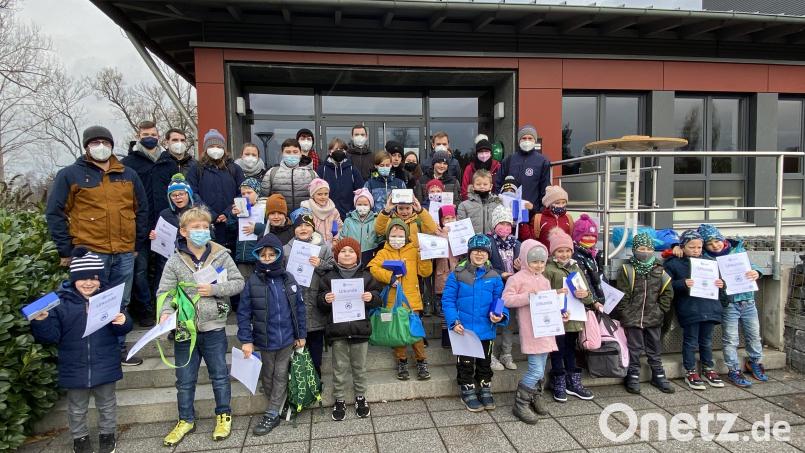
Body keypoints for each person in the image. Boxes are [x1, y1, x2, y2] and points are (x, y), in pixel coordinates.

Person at [46, 125, 148, 366]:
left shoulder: (128, 174)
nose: (101, 147)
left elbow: (141, 209)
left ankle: (119, 349)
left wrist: (136, 243)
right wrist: (66, 249)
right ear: (86, 146)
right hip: (90, 251)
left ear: (112, 145)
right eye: (95, 143)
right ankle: (92, 353)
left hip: (123, 251)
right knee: (87, 302)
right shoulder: (70, 175)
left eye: (105, 142)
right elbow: (54, 212)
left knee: (120, 302)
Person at [31, 248, 133, 453]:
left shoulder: (109, 297)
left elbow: (122, 328)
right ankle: (80, 438)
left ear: (100, 279)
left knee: (107, 404)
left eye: (93, 278)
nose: (88, 283)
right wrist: (41, 321)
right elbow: (50, 337)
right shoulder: (59, 302)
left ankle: (107, 435)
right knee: (76, 408)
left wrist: (123, 321)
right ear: (73, 279)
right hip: (73, 364)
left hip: (105, 361)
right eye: (82, 279)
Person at [158, 206, 245, 447]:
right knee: (184, 379)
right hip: (185, 329)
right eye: (196, 227)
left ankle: (223, 414)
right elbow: (164, 292)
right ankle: (185, 419)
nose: (201, 231)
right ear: (184, 231)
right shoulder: (175, 260)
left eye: (205, 227)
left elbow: (238, 282)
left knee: (219, 375)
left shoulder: (221, 255)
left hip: (214, 327)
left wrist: (215, 290)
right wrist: (166, 313)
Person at [237, 233, 306, 436]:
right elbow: (243, 313)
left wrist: (301, 334)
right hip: (265, 340)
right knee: (268, 375)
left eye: (271, 254)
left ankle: (272, 412)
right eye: (263, 255)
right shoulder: (252, 282)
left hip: (287, 338)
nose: (267, 258)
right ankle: (276, 403)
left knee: (281, 373)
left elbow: (299, 309)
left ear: (278, 255)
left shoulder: (289, 279)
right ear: (258, 256)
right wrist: (246, 340)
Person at [316, 237, 382, 421]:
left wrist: (371, 297)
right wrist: (325, 299)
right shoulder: (328, 277)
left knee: (359, 367)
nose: (347, 254)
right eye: (343, 251)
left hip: (360, 330)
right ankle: (339, 398)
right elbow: (319, 302)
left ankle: (361, 397)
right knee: (339, 368)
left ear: (357, 255)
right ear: (336, 256)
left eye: (351, 251)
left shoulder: (366, 276)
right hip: (338, 332)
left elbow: (378, 298)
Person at [442, 234, 507, 412]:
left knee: (485, 362)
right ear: (470, 252)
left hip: (486, 328)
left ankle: (485, 387)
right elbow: (448, 300)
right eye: (476, 251)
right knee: (466, 362)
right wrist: (453, 321)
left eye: (484, 252)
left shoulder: (494, 276)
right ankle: (467, 389)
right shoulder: (457, 274)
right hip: (464, 329)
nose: (480, 255)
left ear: (488, 254)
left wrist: (500, 314)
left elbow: (500, 300)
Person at [698, 224, 768, 386]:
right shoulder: (706, 259)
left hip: (748, 300)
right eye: (709, 243)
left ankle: (754, 362)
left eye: (717, 240)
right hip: (729, 304)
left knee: (754, 335)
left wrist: (756, 272)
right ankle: (733, 370)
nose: (715, 245)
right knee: (730, 339)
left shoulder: (737, 251)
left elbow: (753, 267)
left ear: (722, 239)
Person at [368, 219, 433, 381]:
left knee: (415, 332)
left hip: (412, 300)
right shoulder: (383, 252)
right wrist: (389, 277)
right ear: (388, 236)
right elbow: (372, 268)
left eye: (400, 235)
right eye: (393, 235)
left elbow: (425, 273)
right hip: (392, 299)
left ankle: (421, 361)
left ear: (406, 236)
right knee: (396, 332)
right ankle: (401, 361)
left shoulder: (413, 250)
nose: (397, 238)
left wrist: (423, 256)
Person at [503, 240, 558, 424]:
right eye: (534, 261)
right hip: (532, 331)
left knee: (541, 370)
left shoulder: (544, 280)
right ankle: (520, 404)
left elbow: (548, 303)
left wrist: (561, 311)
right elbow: (507, 300)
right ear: (525, 260)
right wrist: (528, 297)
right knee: (535, 370)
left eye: (542, 262)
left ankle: (535, 396)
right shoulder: (517, 278)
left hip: (547, 329)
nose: (539, 265)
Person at [613, 233, 675, 394]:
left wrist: (661, 309)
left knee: (654, 347)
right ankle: (633, 375)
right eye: (641, 248)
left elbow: (667, 293)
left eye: (648, 248)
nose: (645, 252)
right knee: (634, 347)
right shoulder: (628, 270)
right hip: (633, 317)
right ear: (634, 250)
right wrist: (625, 312)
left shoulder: (660, 270)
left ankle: (659, 374)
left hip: (654, 317)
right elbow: (623, 294)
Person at [663, 230, 725, 391]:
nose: (696, 250)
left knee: (707, 341)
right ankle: (690, 371)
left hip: (709, 307)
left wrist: (721, 284)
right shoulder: (673, 263)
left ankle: (708, 368)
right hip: (690, 308)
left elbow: (720, 284)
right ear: (682, 247)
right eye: (692, 247)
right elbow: (666, 286)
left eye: (699, 247)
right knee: (690, 341)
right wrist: (683, 284)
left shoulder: (709, 262)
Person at [544, 228, 597, 402]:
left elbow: (587, 292)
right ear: (554, 253)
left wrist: (585, 295)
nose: (564, 254)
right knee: (558, 349)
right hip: (557, 317)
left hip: (575, 317)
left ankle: (573, 381)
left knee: (571, 349)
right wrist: (555, 292)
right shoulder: (549, 270)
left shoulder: (576, 267)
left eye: (567, 251)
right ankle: (558, 379)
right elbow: (543, 294)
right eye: (560, 251)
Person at [120, 120, 164, 328]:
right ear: (139, 135)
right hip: (141, 225)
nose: (150, 137)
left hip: (165, 225)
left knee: (164, 270)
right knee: (140, 271)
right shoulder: (129, 163)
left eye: (153, 134)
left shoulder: (167, 161)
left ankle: (161, 307)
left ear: (158, 136)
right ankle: (145, 310)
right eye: (146, 133)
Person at [284, 210, 334, 374]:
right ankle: (297, 388)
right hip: (293, 306)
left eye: (307, 225)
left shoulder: (324, 249)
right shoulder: (286, 249)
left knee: (315, 353)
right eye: (299, 226)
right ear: (294, 229)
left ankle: (316, 384)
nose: (303, 229)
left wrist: (320, 264)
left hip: (316, 307)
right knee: (295, 356)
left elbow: (333, 272)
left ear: (313, 228)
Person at [187, 128, 245, 252]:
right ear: (206, 149)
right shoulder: (196, 169)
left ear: (224, 148)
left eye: (219, 146)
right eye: (212, 146)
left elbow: (242, 193)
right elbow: (192, 194)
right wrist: (211, 214)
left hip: (231, 225)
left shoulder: (235, 169)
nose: (216, 149)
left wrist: (227, 213)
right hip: (206, 224)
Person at [486, 205, 520, 371]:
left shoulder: (516, 243)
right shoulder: (489, 243)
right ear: (494, 225)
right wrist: (501, 274)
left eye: (508, 224)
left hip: (511, 291)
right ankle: (490, 354)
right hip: (497, 291)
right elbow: (485, 265)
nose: (505, 228)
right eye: (501, 224)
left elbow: (524, 266)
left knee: (509, 323)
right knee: (494, 318)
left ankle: (506, 353)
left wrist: (520, 266)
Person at [149, 173, 195, 291]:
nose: (178, 197)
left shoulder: (196, 213)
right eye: (173, 195)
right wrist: (153, 235)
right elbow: (158, 234)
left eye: (181, 194)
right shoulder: (164, 214)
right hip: (167, 260)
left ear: (188, 194)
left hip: (191, 258)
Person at [495, 125, 551, 219]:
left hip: (531, 213)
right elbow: (498, 184)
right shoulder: (509, 160)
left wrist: (539, 211)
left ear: (535, 140)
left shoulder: (542, 161)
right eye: (524, 138)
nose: (527, 141)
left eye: (530, 138)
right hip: (508, 213)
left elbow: (544, 188)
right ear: (519, 140)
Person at [261, 138, 318, 212]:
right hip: (279, 219)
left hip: (305, 220)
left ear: (300, 153)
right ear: (282, 154)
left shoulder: (311, 174)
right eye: (288, 152)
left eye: (295, 152)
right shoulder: (272, 173)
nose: (292, 155)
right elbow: (263, 199)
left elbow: (319, 198)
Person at [227, 178, 266, 278]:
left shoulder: (263, 208)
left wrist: (256, 228)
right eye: (243, 194)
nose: (246, 196)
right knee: (244, 286)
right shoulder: (239, 209)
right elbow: (231, 229)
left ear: (257, 193)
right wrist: (232, 216)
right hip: (242, 256)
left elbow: (269, 229)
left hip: (258, 256)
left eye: (249, 192)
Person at [434, 205, 461, 348]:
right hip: (442, 276)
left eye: (452, 217)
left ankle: (457, 335)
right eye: (446, 218)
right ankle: (446, 339)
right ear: (441, 220)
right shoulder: (435, 234)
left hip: (459, 274)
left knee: (458, 306)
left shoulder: (462, 232)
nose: (450, 220)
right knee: (446, 308)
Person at [318, 138, 365, 219]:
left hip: (349, 216)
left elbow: (361, 192)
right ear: (330, 151)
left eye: (342, 149)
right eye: (336, 149)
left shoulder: (352, 170)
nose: (339, 151)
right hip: (327, 215)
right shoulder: (322, 170)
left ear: (345, 152)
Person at [571, 214, 605, 316]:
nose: (590, 238)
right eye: (586, 235)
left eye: (593, 236)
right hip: (589, 303)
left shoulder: (595, 254)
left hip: (597, 300)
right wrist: (594, 300)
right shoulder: (576, 255)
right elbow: (586, 280)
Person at [341, 188, 382, 266]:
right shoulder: (348, 221)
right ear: (355, 205)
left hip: (370, 256)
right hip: (352, 256)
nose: (362, 207)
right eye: (359, 204)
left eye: (365, 204)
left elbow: (380, 239)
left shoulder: (376, 220)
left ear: (370, 205)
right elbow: (343, 238)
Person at [458, 170, 503, 235]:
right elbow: (461, 227)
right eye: (478, 184)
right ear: (473, 186)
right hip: (473, 242)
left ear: (490, 186)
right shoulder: (464, 205)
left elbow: (502, 223)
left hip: (492, 241)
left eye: (485, 184)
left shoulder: (497, 204)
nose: (482, 186)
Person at [301, 178, 343, 244]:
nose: (323, 197)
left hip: (331, 245)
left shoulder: (333, 210)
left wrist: (336, 239)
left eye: (326, 194)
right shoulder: (307, 209)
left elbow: (339, 227)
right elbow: (304, 228)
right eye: (319, 194)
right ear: (312, 195)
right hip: (313, 244)